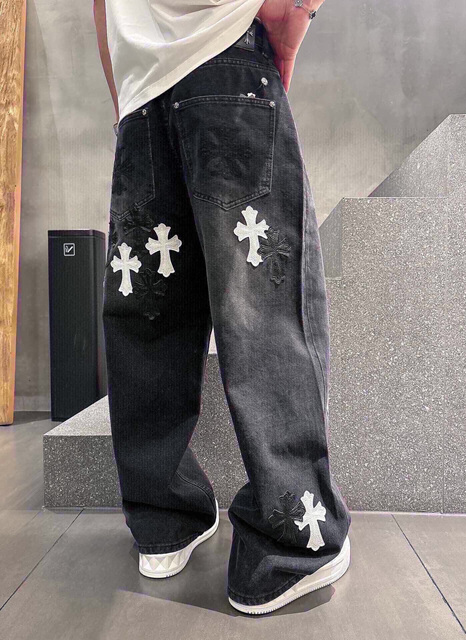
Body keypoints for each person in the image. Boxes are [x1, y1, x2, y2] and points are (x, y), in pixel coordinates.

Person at [93, 0, 351, 615]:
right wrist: (295, 15)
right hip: (225, 56)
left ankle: (163, 520)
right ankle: (295, 538)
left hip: (140, 87)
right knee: (264, 307)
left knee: (149, 316)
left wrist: (128, 87)